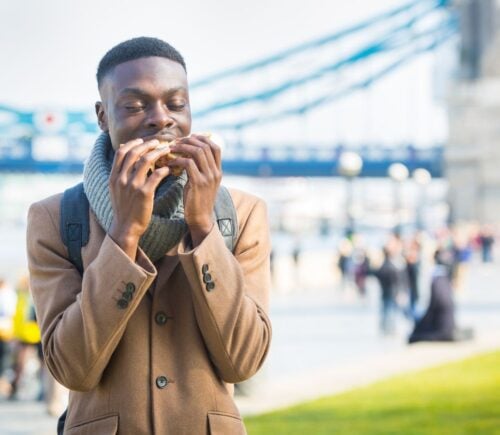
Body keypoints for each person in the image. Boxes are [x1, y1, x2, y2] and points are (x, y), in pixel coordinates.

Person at [26, 37, 271, 435]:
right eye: (135, 106)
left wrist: (203, 227)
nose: (161, 119)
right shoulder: (56, 218)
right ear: (103, 116)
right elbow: (72, 368)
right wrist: (123, 236)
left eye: (176, 104)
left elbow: (243, 361)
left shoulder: (240, 214)